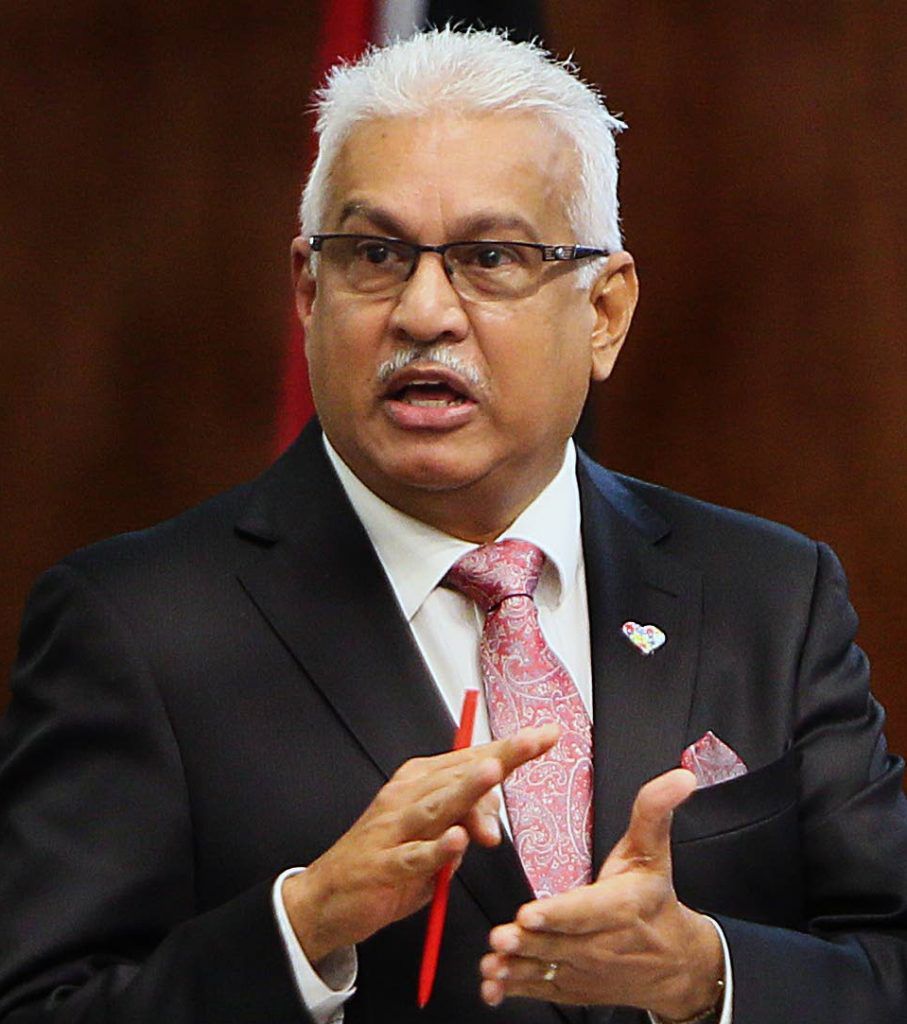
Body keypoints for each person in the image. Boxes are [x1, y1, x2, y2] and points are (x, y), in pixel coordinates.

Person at [1, 26, 905, 1024]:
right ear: (309, 290)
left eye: (490, 257)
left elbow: (887, 960)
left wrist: (707, 977)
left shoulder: (767, 596)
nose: (424, 312)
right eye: (375, 254)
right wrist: (304, 926)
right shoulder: (139, 627)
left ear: (603, 312)